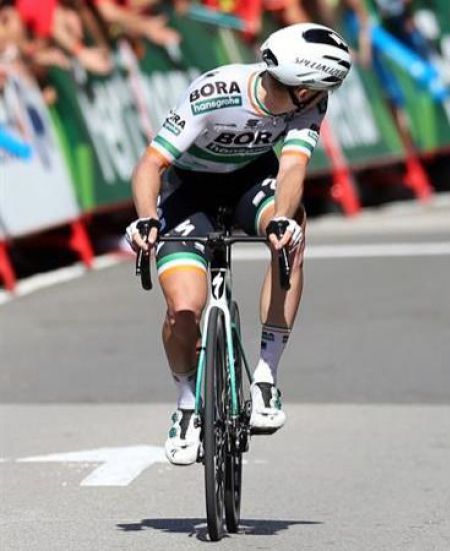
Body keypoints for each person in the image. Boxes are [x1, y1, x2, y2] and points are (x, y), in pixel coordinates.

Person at [125, 22, 351, 465]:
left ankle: (266, 377)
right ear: (301, 87)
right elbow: (151, 163)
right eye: (323, 88)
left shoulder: (310, 102)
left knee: (290, 232)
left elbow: (291, 168)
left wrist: (281, 219)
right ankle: (187, 403)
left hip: (251, 180)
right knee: (183, 309)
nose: (325, 96)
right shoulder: (215, 92)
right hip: (188, 190)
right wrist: (147, 218)